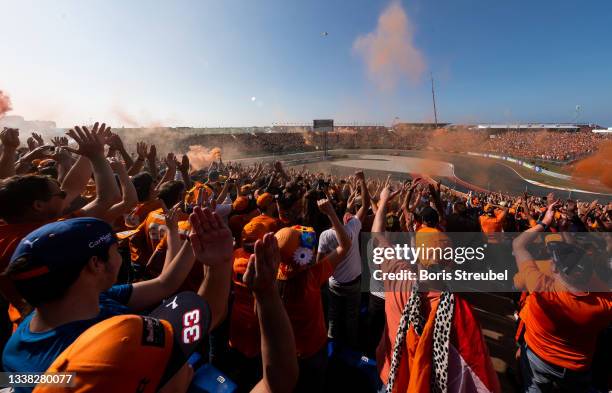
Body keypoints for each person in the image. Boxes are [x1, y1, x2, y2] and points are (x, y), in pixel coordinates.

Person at [2, 206, 232, 389]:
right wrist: (219, 265)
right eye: (115, 248)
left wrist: (198, 240)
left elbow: (165, 283)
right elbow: (205, 317)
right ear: (96, 264)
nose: (119, 255)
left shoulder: (37, 323)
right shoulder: (109, 349)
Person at [373, 186, 501, 393]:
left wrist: (384, 200)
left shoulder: (399, 278)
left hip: (392, 379)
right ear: (449, 262)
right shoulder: (460, 310)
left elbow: (378, 235)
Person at [512, 199, 612, 392]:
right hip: (577, 369)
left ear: (555, 269)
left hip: (538, 358)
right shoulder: (604, 303)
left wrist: (544, 222)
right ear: (589, 275)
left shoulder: (542, 287)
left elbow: (519, 245)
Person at [274, 198, 352, 392]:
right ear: (302, 254)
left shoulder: (269, 282)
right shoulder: (311, 276)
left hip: (284, 353)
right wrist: (331, 213)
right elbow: (345, 246)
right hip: (313, 350)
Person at [317, 170, 369, 350]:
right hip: (353, 283)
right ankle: (352, 345)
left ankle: (331, 342)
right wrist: (362, 181)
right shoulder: (353, 226)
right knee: (351, 316)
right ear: (343, 215)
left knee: (333, 314)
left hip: (334, 283)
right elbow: (366, 204)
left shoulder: (324, 236)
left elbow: (319, 263)